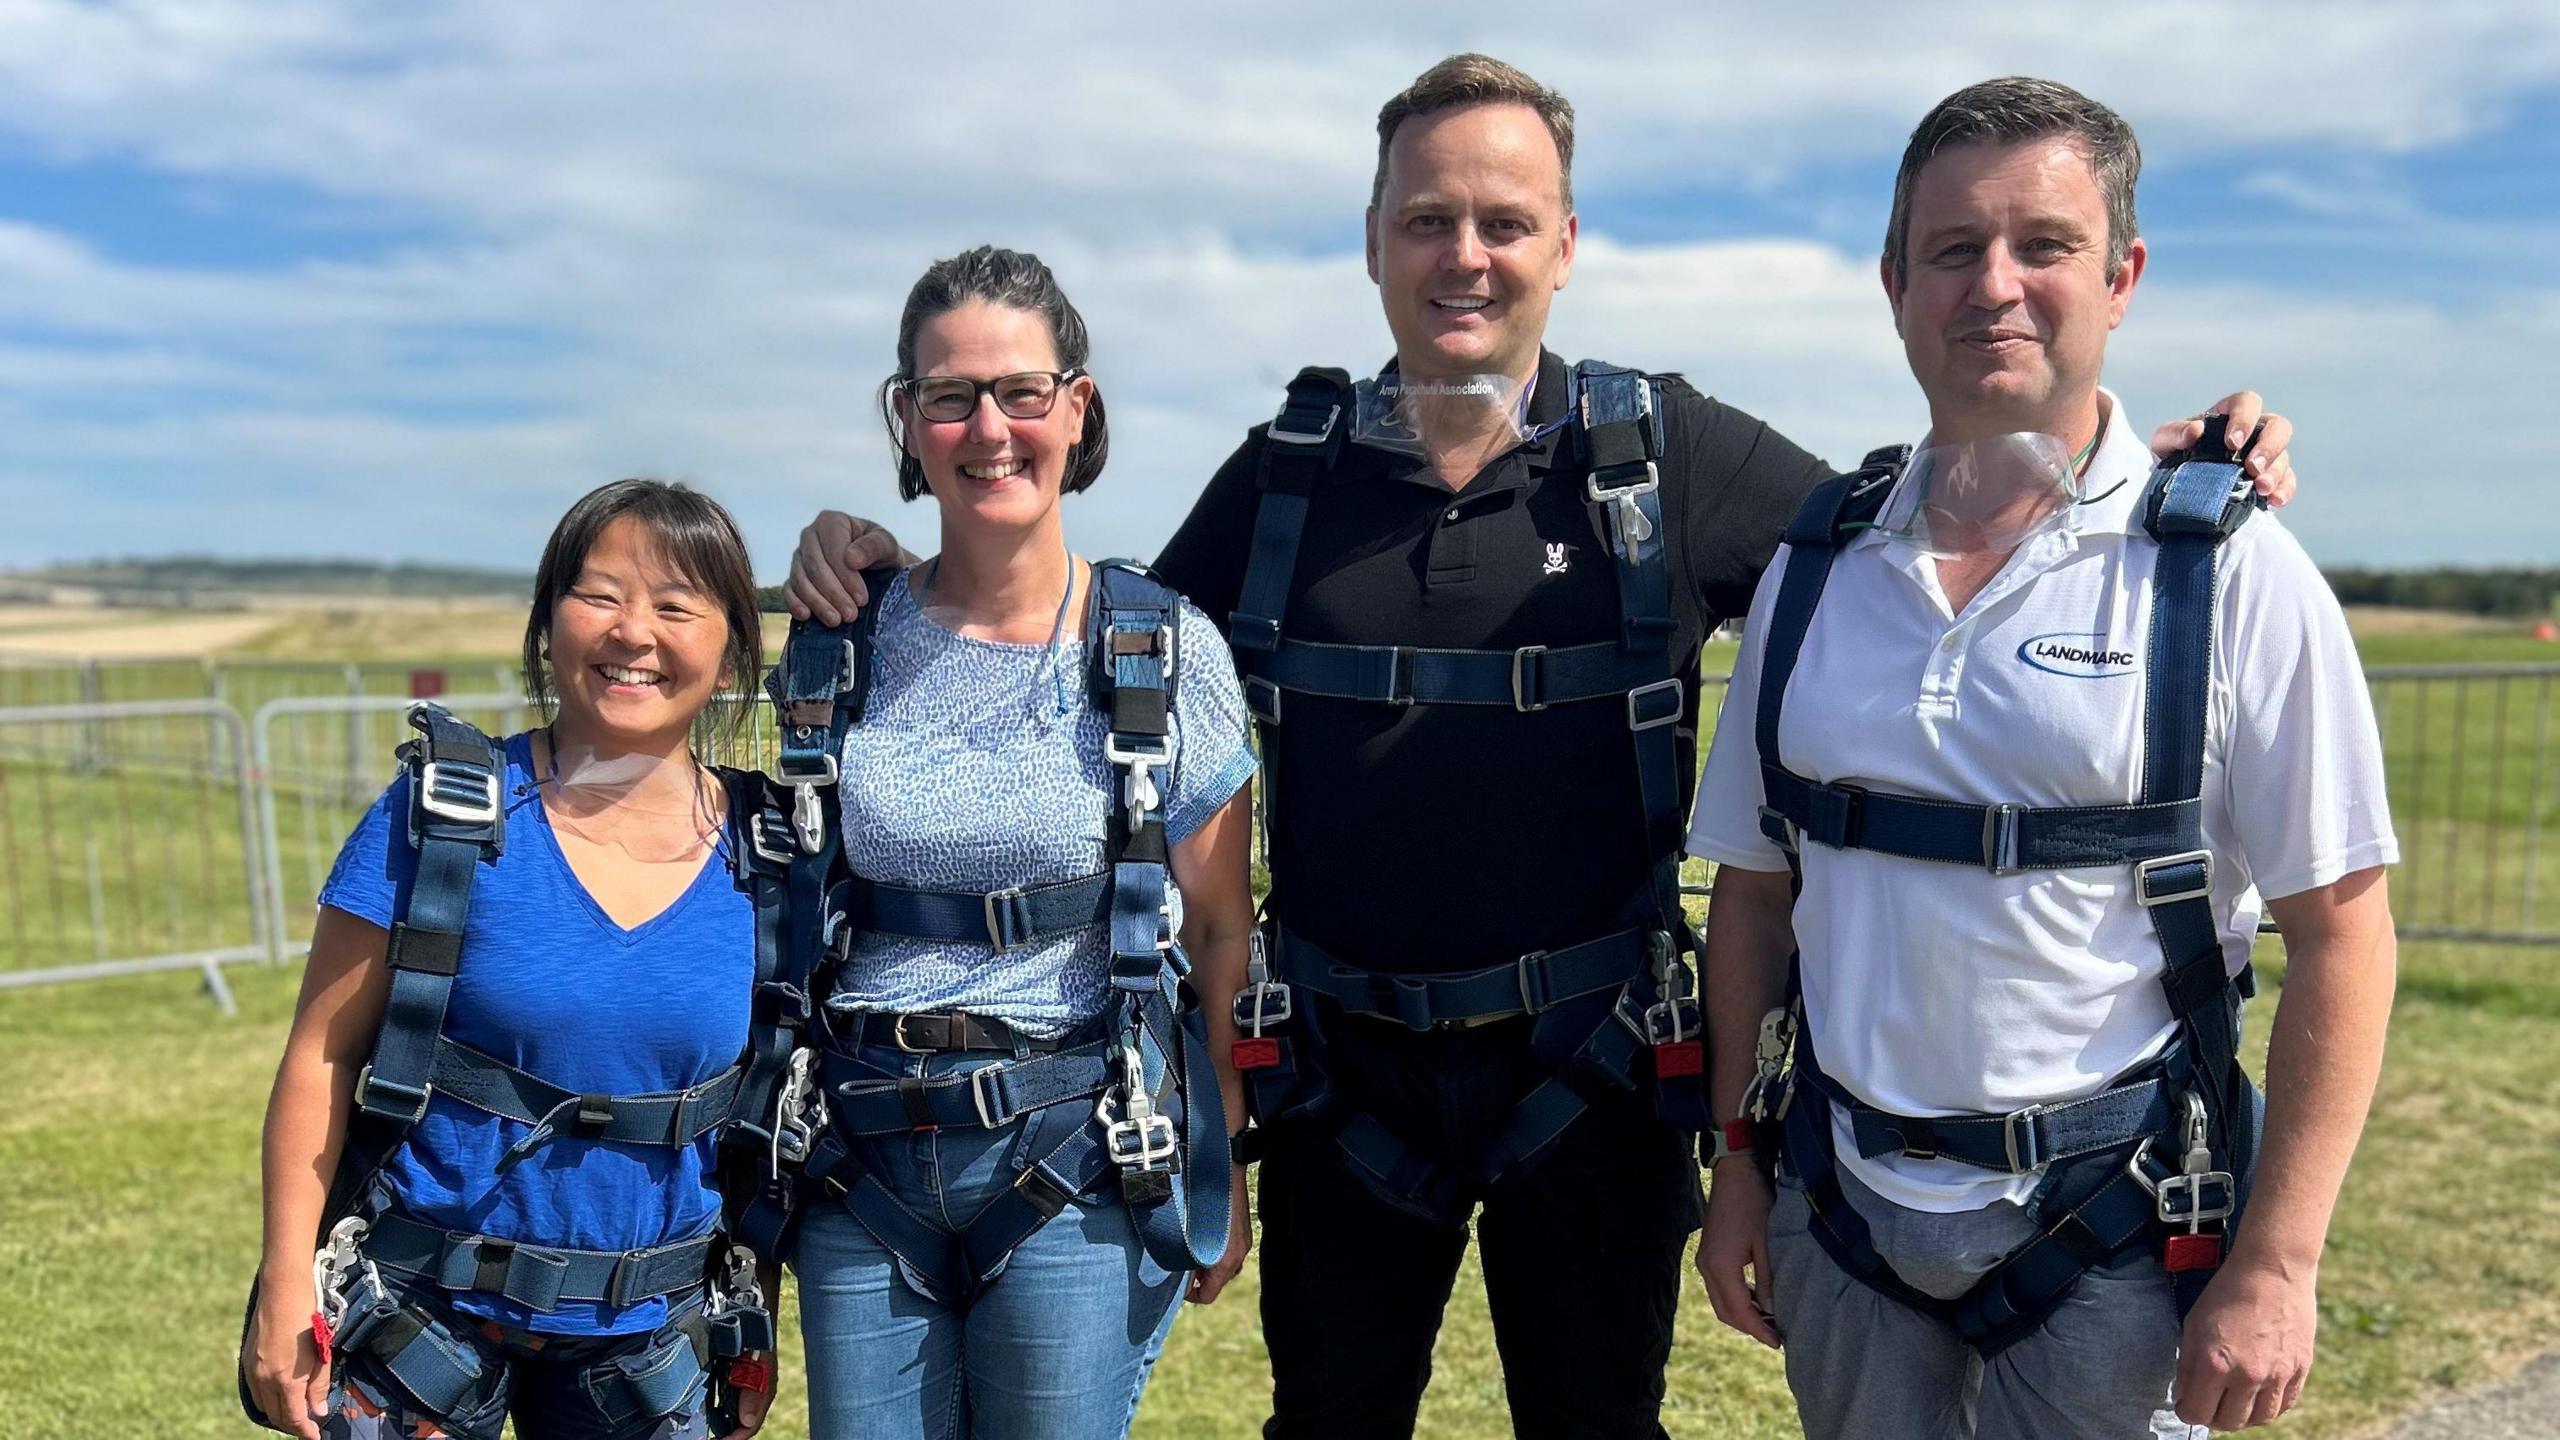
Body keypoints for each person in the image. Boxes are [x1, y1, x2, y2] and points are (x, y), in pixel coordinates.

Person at [784, 57, 2303, 1440]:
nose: (1466, 255)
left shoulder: (1668, 458)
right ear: (1377, 245)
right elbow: (1083, 643)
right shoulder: (1287, 480)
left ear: (1564, 246)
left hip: (1591, 1082)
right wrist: (875, 555)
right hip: (1345, 1091)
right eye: (1429, 219)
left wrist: (2128, 449)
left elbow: (1922, 524)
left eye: (1505, 221)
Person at [1687, 78, 2398, 1438]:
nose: (1994, 286)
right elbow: (1758, 893)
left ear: (2122, 275)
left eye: (2045, 246)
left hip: (2118, 1236)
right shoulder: (1817, 566)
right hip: (1843, 1210)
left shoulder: (2227, 573)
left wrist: (2281, 1263)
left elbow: (2345, 932)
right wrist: (1736, 1167)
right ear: (1895, 285)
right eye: (1953, 250)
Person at [784, 245, 1258, 1440]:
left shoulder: (1162, 650)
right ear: (907, 418)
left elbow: (1217, 926)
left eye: (1021, 392)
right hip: (863, 1157)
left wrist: (1225, 1155)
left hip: (1076, 1153)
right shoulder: (841, 639)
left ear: (1076, 407)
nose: (988, 428)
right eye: (949, 396)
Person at [241, 479, 781, 1440]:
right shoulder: (442, 819)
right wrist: (288, 1277)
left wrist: (753, 1316)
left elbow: (763, 1119)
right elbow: (321, 1055)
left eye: (675, 605)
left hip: (650, 1341)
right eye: (601, 595)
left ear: (732, 644)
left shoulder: (773, 852)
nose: (633, 633)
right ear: (547, 626)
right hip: (418, 1320)